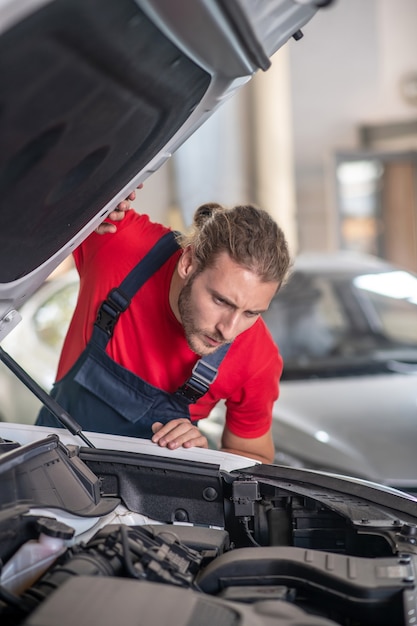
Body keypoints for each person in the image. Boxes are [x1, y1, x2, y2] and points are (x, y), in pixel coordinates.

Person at [36, 193, 291, 463]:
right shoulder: (117, 243)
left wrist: (206, 458)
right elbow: (34, 197)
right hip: (48, 465)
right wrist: (95, 193)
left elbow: (254, 459)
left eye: (251, 313)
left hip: (146, 498)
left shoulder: (258, 358)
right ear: (188, 263)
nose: (228, 331)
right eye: (220, 301)